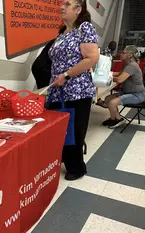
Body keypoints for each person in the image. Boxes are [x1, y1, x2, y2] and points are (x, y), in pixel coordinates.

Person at [47, 0, 99, 181]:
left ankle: (76, 168)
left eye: (67, 4)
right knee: (61, 130)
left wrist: (67, 75)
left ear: (78, 9)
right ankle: (64, 159)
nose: (62, 7)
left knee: (74, 132)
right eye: (62, 3)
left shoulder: (84, 28)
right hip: (58, 91)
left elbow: (92, 58)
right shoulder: (62, 32)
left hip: (77, 91)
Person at [97, 45, 145, 128]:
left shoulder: (132, 66)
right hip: (128, 92)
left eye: (123, 53)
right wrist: (108, 73)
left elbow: (119, 79)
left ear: (129, 55)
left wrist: (107, 77)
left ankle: (118, 119)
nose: (121, 54)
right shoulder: (127, 64)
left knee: (112, 103)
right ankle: (113, 118)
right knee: (108, 98)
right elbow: (119, 74)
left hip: (137, 95)